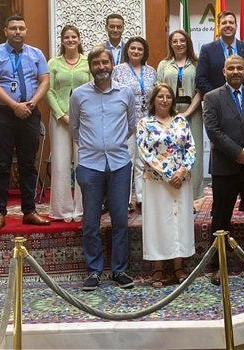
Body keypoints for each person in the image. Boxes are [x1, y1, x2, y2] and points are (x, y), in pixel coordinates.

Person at [70, 45, 137, 291]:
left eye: (105, 62)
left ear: (112, 65)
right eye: (96, 63)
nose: (101, 67)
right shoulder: (78, 95)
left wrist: (113, 143)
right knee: (90, 221)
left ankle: (119, 270)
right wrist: (94, 146)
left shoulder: (126, 93)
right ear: (90, 67)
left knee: (120, 219)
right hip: (89, 165)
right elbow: (74, 128)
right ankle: (94, 271)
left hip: (119, 163)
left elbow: (131, 125)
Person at [203, 55, 244, 285]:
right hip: (225, 168)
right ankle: (217, 266)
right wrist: (236, 152)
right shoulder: (212, 98)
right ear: (223, 71)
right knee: (221, 218)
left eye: (239, 68)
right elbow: (213, 130)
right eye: (230, 68)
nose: (235, 71)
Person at [0, 15, 51, 231]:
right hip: (3, 114)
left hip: (29, 112)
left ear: (26, 31)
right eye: (13, 28)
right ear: (5, 31)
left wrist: (32, 102)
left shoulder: (36, 54)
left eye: (21, 28)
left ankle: (29, 211)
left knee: (28, 164)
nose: (17, 31)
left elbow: (45, 81)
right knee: (1, 163)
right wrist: (14, 105)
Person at [136, 83, 196, 287]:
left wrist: (182, 171)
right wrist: (169, 174)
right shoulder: (145, 123)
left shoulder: (181, 121)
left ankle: (178, 266)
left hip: (181, 180)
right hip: (157, 181)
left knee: (180, 221)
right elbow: (144, 152)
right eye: (160, 96)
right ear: (153, 100)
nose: (164, 100)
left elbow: (190, 147)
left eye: (168, 96)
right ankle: (158, 267)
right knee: (158, 222)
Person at [46, 25, 90, 222]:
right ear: (62, 41)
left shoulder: (88, 62)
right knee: (61, 163)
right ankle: (62, 209)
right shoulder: (53, 63)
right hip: (59, 119)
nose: (70, 40)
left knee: (84, 163)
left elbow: (93, 89)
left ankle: (81, 209)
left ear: (79, 40)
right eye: (67, 37)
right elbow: (48, 90)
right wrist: (61, 115)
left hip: (85, 119)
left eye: (74, 37)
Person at [157, 29, 204, 209]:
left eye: (182, 41)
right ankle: (174, 192)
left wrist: (187, 113)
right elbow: (159, 89)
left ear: (188, 43)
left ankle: (195, 197)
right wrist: (169, 112)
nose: (179, 44)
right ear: (171, 44)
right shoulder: (164, 64)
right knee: (172, 151)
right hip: (168, 114)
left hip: (193, 113)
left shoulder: (197, 63)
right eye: (175, 41)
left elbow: (200, 91)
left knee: (194, 153)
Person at [112, 36, 157, 209]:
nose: (136, 51)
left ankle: (140, 197)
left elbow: (156, 95)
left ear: (144, 52)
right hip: (126, 121)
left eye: (140, 49)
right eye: (133, 48)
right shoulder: (118, 70)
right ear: (127, 51)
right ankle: (123, 199)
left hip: (147, 121)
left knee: (142, 160)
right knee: (127, 160)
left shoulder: (151, 71)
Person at [196, 11, 244, 93]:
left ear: (236, 26)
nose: (228, 25)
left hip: (242, 100)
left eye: (231, 22)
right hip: (217, 101)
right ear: (218, 26)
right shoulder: (207, 49)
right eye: (224, 23)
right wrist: (216, 97)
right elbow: (201, 78)